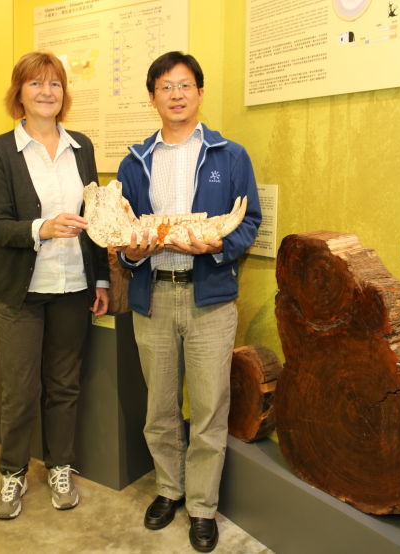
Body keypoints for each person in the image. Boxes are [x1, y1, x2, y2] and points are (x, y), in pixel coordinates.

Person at [115, 52, 261, 552]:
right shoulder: (134, 160)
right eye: (165, 86)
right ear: (152, 96)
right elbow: (123, 233)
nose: (176, 94)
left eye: (185, 85)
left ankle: (201, 505)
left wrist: (220, 246)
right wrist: (131, 250)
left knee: (208, 409)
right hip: (153, 296)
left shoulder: (230, 155)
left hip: (209, 300)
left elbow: (249, 222)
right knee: (158, 407)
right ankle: (168, 489)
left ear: (199, 93)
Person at [0, 51, 110, 520]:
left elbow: (95, 216)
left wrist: (99, 277)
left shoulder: (82, 147)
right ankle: (13, 473)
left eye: (54, 84)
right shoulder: (0, 150)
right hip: (20, 290)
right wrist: (42, 228)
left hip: (73, 285)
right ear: (19, 93)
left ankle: (60, 466)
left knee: (64, 386)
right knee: (19, 388)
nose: (46, 92)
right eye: (35, 83)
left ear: (63, 94)